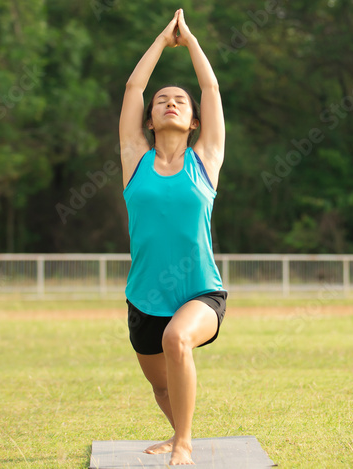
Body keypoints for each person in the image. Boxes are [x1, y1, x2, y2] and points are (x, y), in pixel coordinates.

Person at [119, 8, 226, 466]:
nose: (170, 102)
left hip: (200, 290)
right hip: (144, 297)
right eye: (162, 100)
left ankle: (183, 445)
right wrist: (161, 41)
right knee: (161, 383)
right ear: (148, 120)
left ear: (195, 122)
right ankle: (179, 433)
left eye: (179, 101)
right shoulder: (134, 160)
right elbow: (133, 89)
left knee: (178, 341)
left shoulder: (205, 160)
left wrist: (191, 42)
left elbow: (210, 88)